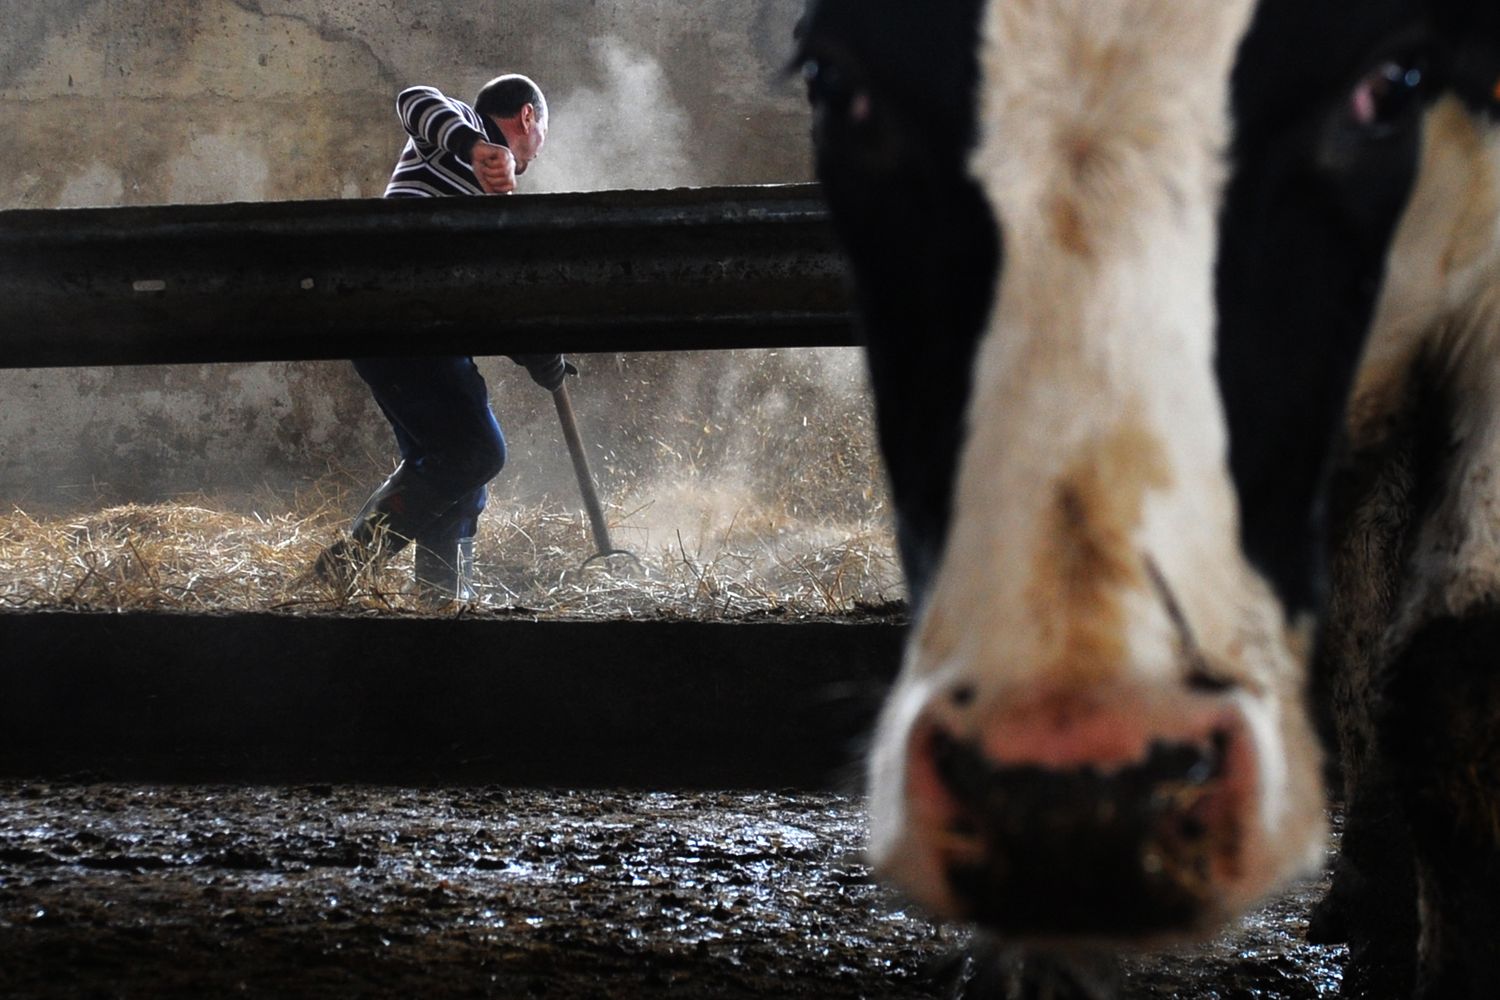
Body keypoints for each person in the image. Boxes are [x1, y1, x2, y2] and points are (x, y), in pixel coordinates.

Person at [314, 74, 572, 603]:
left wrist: (540, 356)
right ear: (527, 117)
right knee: (478, 452)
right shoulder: (460, 129)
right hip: (400, 319)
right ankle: (347, 564)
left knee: (452, 475)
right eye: (542, 132)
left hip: (424, 333)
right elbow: (414, 100)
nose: (537, 152)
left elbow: (493, 298)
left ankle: (440, 601)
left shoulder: (492, 205)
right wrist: (476, 147)